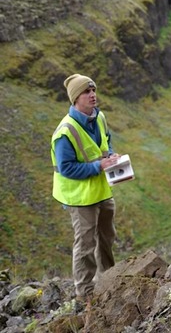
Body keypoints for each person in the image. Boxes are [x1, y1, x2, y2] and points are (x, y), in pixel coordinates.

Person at [51, 73, 121, 301]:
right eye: (86, 92)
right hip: (79, 197)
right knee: (85, 244)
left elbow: (106, 140)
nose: (93, 95)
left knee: (107, 236)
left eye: (93, 90)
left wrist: (110, 156)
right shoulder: (65, 132)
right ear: (75, 99)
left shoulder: (99, 117)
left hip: (101, 190)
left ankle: (111, 279)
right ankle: (86, 294)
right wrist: (99, 166)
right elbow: (67, 168)